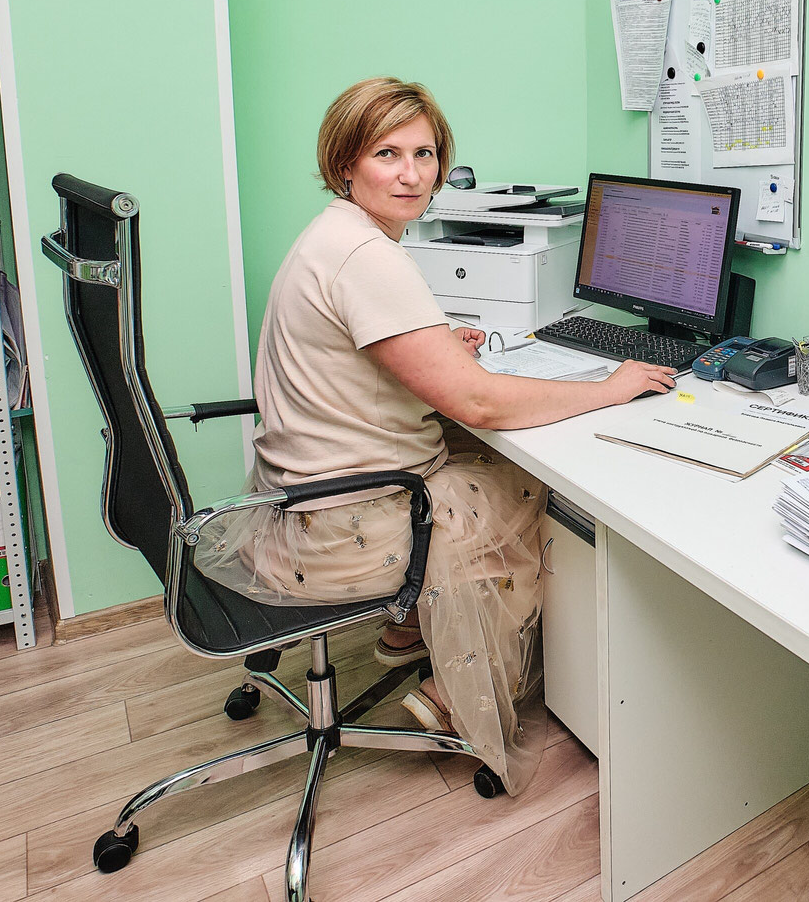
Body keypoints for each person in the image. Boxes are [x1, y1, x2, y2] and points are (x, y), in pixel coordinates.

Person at [196, 77, 675, 794]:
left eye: (425, 154)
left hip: (298, 503)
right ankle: (453, 693)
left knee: (483, 460)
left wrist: (436, 345)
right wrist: (609, 387)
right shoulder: (368, 257)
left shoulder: (332, 236)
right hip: (348, 523)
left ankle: (407, 630)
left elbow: (364, 354)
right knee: (532, 486)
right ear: (346, 163)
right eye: (387, 153)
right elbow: (478, 402)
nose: (412, 174)